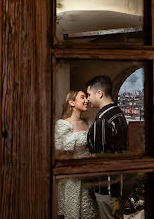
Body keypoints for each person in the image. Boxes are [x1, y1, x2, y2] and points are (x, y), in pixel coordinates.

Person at [85, 75, 129, 219]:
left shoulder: (103, 120)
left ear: (100, 93)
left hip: (107, 187)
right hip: (119, 184)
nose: (88, 98)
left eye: (89, 94)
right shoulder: (118, 113)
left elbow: (99, 159)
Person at [54, 90, 97, 219]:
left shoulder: (88, 122)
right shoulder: (62, 125)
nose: (86, 100)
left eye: (86, 97)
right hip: (71, 178)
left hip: (89, 176)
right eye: (82, 97)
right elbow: (59, 153)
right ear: (72, 102)